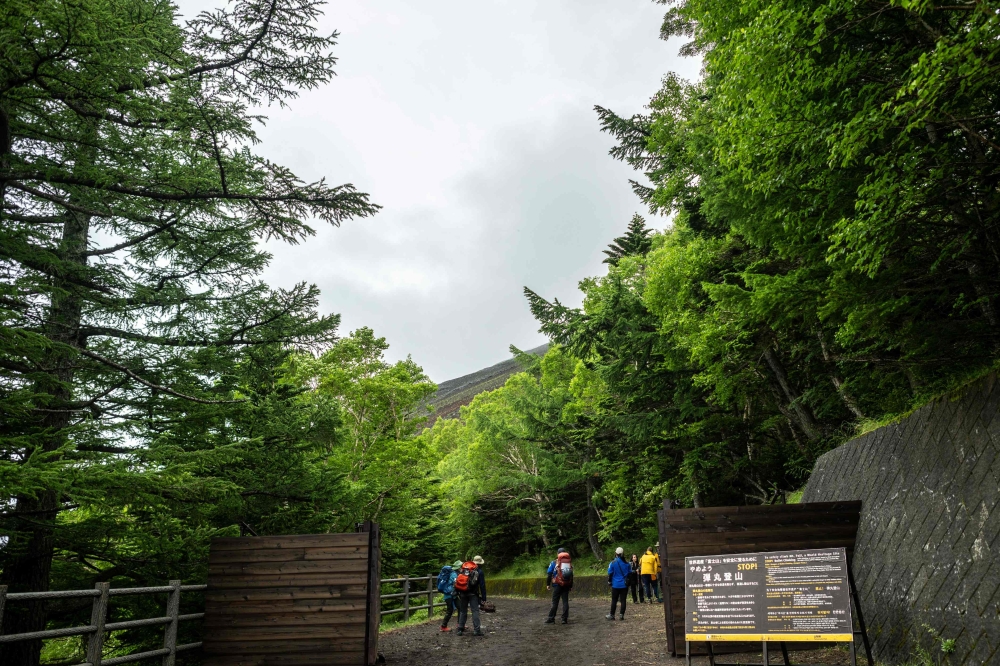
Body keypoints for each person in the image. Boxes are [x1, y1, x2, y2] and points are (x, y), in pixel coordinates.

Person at [456, 555, 487, 636]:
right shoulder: (479, 571)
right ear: (480, 563)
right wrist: (484, 598)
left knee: (463, 611)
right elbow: (482, 585)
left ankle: (460, 629)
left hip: (463, 592)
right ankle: (477, 630)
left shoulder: (465, 569)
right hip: (473, 594)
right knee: (475, 611)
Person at [544, 548, 573, 624]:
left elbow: (549, 573)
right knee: (565, 602)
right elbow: (571, 574)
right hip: (566, 584)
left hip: (557, 584)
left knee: (555, 602)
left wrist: (548, 584)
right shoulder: (568, 562)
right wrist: (570, 585)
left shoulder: (554, 562)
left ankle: (551, 618)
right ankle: (564, 619)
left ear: (558, 554)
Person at [606, 547, 630, 620]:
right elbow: (630, 573)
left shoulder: (612, 563)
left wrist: (609, 581)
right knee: (623, 600)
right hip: (624, 585)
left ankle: (612, 615)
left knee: (614, 600)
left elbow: (610, 573)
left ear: (616, 553)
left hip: (615, 584)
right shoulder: (627, 564)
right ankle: (621, 615)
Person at [438, 560, 461, 632]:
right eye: (461, 567)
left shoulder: (453, 573)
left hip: (451, 595)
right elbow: (455, 583)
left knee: (460, 607)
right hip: (450, 595)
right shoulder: (454, 574)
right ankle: (443, 626)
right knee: (450, 610)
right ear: (459, 568)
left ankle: (460, 624)